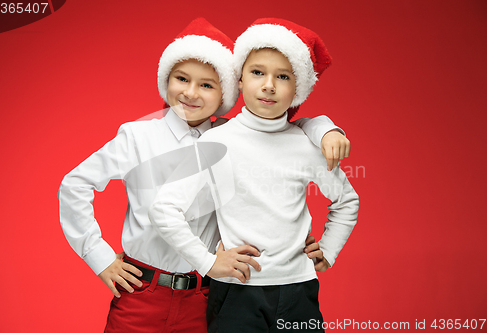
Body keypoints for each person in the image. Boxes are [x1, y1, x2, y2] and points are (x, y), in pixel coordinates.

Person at [59, 18, 350, 333]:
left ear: (226, 90)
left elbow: (287, 129)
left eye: (207, 85)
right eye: (181, 78)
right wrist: (98, 256)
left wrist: (326, 128)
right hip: (143, 291)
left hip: (206, 296)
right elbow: (75, 184)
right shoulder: (138, 136)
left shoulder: (231, 136)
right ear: (165, 78)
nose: (191, 93)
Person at [149, 18, 359, 332]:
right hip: (237, 291)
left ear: (298, 89)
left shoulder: (306, 146)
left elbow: (346, 202)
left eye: (283, 76)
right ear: (241, 78)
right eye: (258, 72)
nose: (269, 85)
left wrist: (328, 250)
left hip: (298, 289)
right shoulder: (217, 142)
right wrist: (208, 263)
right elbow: (163, 208)